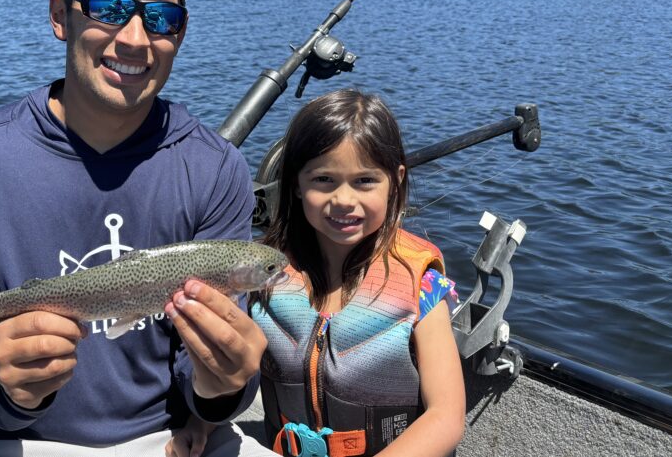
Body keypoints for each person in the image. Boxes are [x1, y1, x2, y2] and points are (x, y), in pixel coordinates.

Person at [0, 0, 275, 457]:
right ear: (60, 15)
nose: (135, 39)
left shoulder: (216, 168)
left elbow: (203, 384)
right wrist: (5, 385)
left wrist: (224, 384)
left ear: (179, 34)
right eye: (109, 8)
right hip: (8, 439)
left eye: (161, 18)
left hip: (167, 442)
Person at [171, 89, 466, 457]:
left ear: (396, 181)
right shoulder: (263, 273)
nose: (343, 199)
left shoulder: (422, 283)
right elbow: (227, 365)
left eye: (365, 181)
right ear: (296, 184)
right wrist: (201, 423)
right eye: (324, 179)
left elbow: (447, 416)